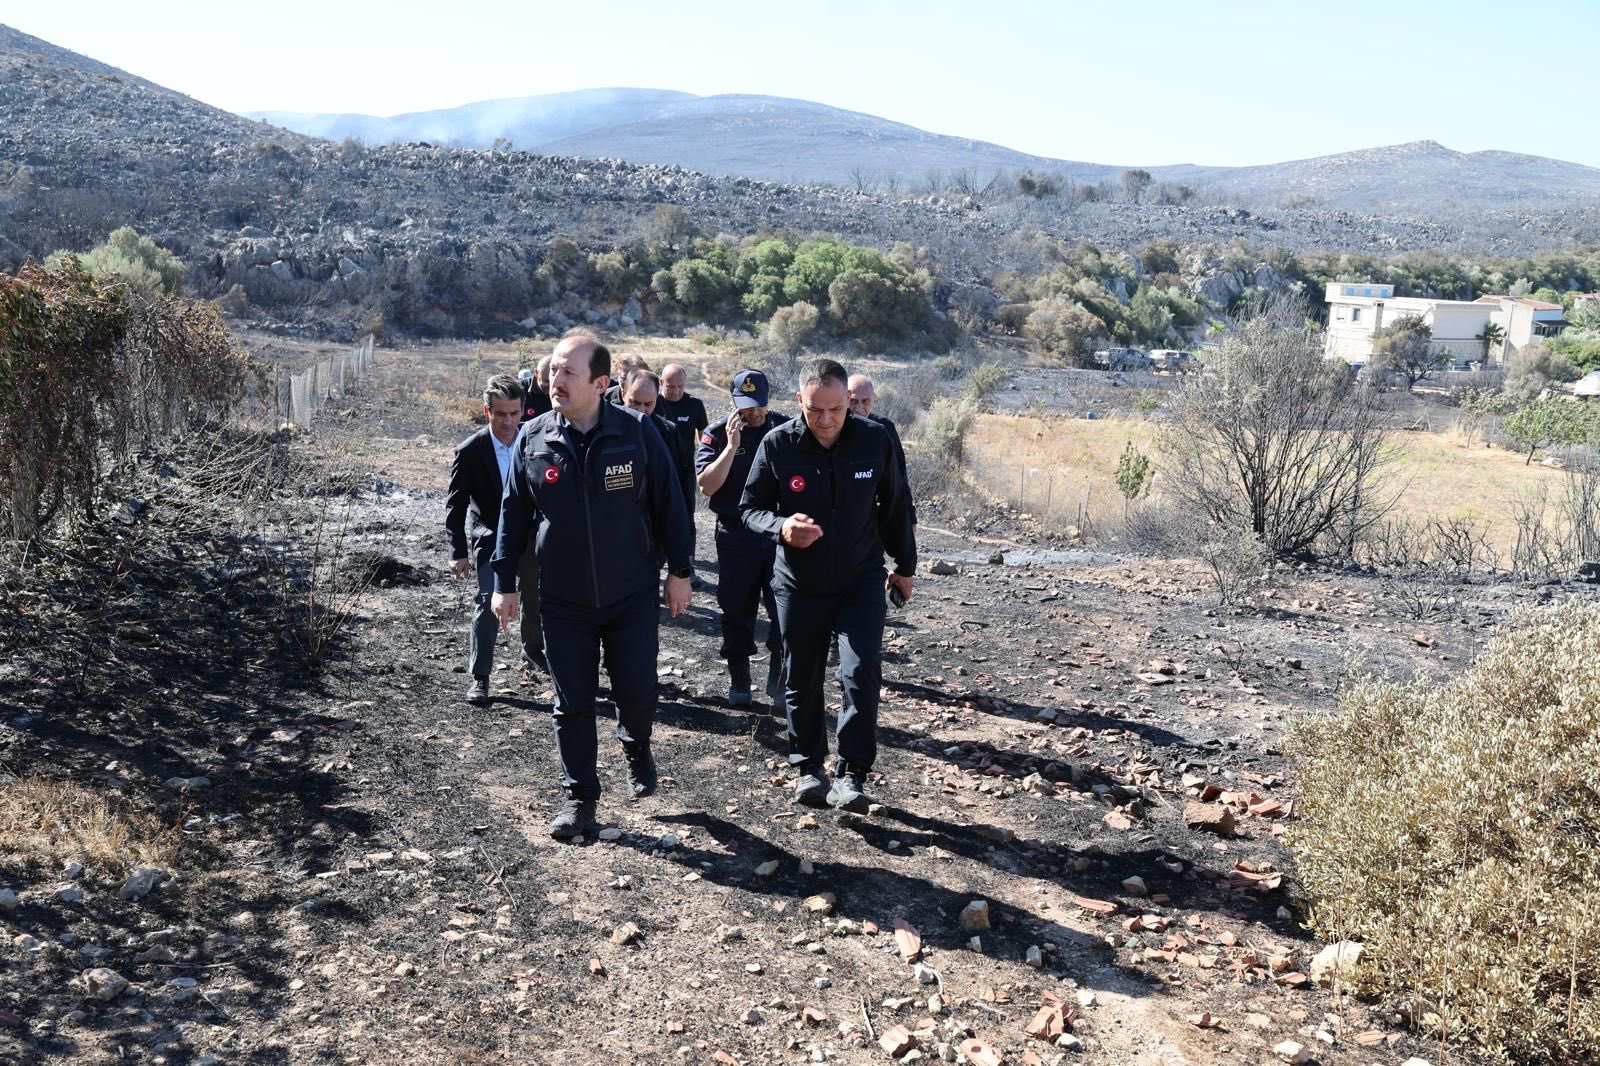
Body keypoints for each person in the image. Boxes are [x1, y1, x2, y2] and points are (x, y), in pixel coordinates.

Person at [491, 329, 693, 839]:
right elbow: (512, 515)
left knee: (637, 693)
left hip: (631, 593)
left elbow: (672, 505)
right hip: (562, 598)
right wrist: (504, 582)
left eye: (568, 372)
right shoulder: (534, 438)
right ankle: (580, 799)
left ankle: (636, 743)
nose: (554, 379)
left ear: (601, 383)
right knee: (572, 702)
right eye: (554, 369)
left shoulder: (637, 433)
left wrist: (681, 572)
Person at [739, 358, 916, 811]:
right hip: (799, 584)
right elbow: (750, 509)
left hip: (860, 579)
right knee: (803, 676)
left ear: (848, 404)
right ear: (799, 401)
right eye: (815, 409)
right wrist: (780, 526)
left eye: (836, 409)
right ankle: (809, 768)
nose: (826, 419)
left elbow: (896, 505)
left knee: (860, 674)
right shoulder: (778, 444)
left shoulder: (875, 440)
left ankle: (852, 774)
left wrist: (906, 566)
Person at [446, 374, 546, 706]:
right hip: (489, 538)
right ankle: (481, 676)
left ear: (523, 411)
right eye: (500, 414)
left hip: (530, 537)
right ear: (486, 411)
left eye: (514, 414)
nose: (508, 421)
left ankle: (534, 653)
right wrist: (457, 551)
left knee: (536, 598)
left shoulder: (536, 442)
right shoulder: (471, 450)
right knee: (488, 602)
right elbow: (456, 504)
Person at [696, 370, 790, 707]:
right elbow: (707, 486)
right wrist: (731, 447)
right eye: (745, 406)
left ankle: (780, 679)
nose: (753, 413)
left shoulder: (785, 428)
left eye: (758, 406)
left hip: (778, 534)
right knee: (736, 609)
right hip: (737, 535)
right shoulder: (717, 434)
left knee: (785, 610)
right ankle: (740, 678)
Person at [618, 367, 696, 531]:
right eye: (634, 403)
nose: (641, 410)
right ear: (623, 393)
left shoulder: (667, 433)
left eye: (648, 404)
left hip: (654, 525)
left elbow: (679, 486)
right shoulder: (605, 429)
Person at [846, 373, 915, 525]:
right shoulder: (831, 428)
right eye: (853, 402)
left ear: (873, 400)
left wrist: (910, 518)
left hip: (876, 515)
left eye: (866, 402)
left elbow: (900, 475)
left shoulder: (884, 428)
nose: (859, 408)